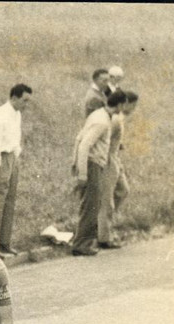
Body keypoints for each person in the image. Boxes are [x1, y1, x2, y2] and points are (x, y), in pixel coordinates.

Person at [70, 90, 130, 257]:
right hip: (92, 164)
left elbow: (78, 138)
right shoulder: (102, 122)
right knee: (91, 205)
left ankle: (85, 242)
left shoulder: (100, 115)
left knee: (92, 204)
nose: (123, 108)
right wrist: (82, 173)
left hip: (94, 164)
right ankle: (82, 244)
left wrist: (75, 164)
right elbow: (84, 145)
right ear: (119, 104)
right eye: (123, 104)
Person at [0, 83, 33, 257]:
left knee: (9, 200)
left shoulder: (16, 114)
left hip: (12, 158)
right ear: (14, 98)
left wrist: (16, 154)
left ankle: (4, 243)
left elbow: (14, 137)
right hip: (0, 158)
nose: (26, 105)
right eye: (24, 100)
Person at [97, 90, 138, 249]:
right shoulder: (114, 120)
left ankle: (103, 227)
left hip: (115, 159)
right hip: (108, 160)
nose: (133, 108)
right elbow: (104, 139)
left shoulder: (119, 119)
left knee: (123, 190)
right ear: (125, 104)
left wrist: (118, 145)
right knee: (107, 200)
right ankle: (103, 237)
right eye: (132, 105)